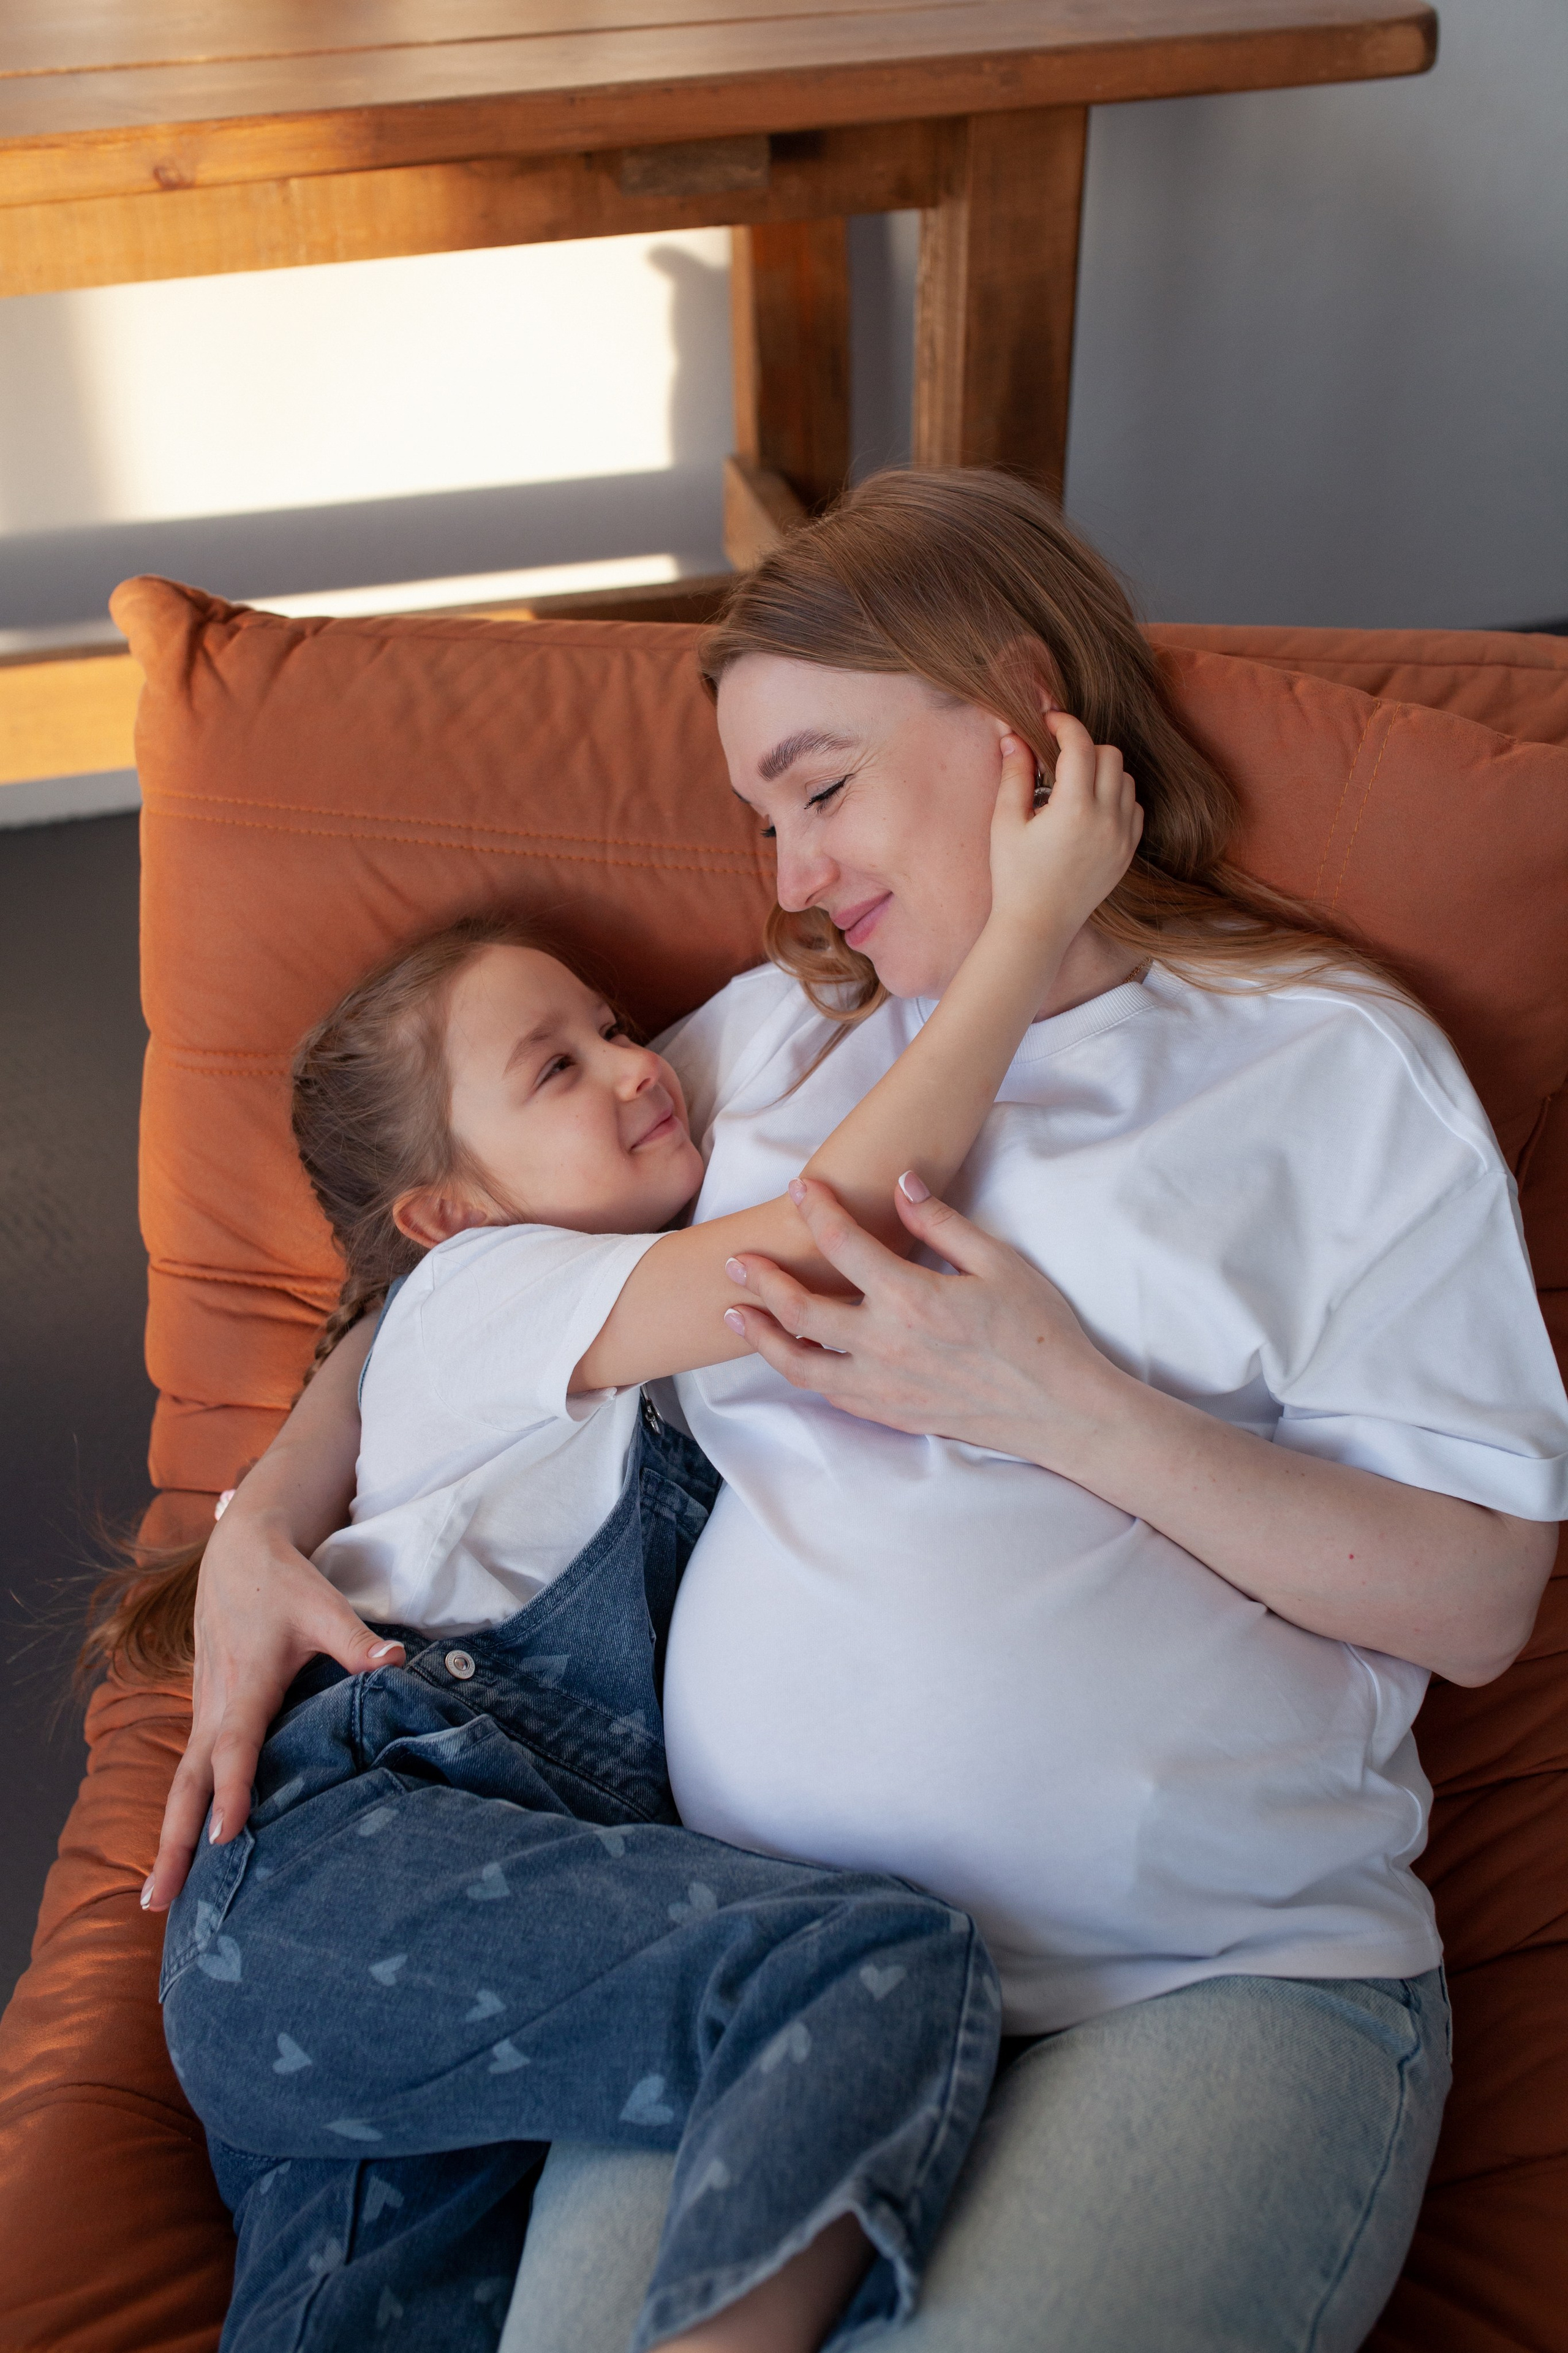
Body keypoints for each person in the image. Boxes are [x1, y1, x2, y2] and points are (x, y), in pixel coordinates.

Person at [139, 470, 1568, 2353]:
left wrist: (1075, 1408)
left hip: (1198, 1981)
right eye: (763, 820)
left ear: (1020, 715)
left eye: (821, 789)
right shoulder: (777, 1042)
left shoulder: (1328, 1069)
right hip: (758, 1969)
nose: (793, 874)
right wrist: (253, 1527)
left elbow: (1477, 1600)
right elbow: (477, 1282)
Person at [151, 717, 1142, 2353]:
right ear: (448, 1213)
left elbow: (816, 996)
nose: (633, 1063)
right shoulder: (483, 1296)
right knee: (872, 1965)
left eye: (613, 1024)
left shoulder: (615, 1209)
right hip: (359, 1848)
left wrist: (955, 868)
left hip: (508, 1914)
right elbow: (813, 1251)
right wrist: (1032, 938)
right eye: (558, 1064)